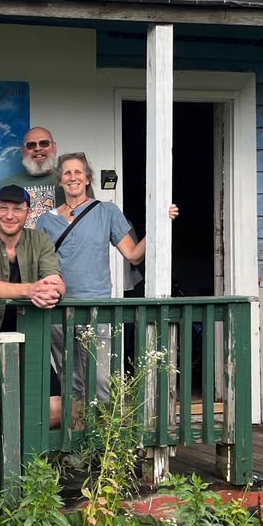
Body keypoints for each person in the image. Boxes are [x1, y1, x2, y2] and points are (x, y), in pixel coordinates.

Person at [35, 152, 178, 407]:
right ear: (59, 181)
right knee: (72, 379)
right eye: (67, 173)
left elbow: (133, 255)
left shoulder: (107, 211)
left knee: (101, 379)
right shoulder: (46, 220)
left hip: (97, 307)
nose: (73, 178)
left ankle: (102, 441)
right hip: (59, 309)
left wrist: (160, 223)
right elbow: (40, 266)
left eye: (78, 172)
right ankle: (76, 439)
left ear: (88, 178)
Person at [0, 185, 66, 427]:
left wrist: (54, 292)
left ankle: (18, 455)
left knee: (55, 410)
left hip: (29, 339)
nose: (9, 215)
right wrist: (32, 289)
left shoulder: (39, 241)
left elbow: (56, 281)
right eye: (3, 208)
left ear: (27, 212)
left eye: (17, 209)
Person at [0, 126, 92, 229]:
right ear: (23, 151)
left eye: (44, 143)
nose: (38, 148)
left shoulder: (73, 182)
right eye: (31, 145)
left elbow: (91, 222)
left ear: (54, 147)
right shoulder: (5, 185)